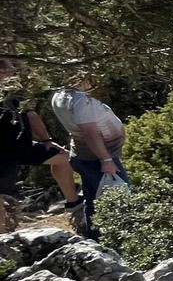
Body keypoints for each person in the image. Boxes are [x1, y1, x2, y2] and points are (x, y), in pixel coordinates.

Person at [0, 63, 82, 219]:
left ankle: (73, 202)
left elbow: (31, 115)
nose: (12, 71)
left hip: (22, 146)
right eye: (7, 69)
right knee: (1, 194)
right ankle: (3, 236)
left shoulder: (14, 92)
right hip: (2, 154)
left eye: (12, 68)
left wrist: (47, 140)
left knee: (62, 158)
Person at [49, 75, 127, 239]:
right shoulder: (80, 100)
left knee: (93, 201)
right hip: (97, 158)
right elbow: (89, 132)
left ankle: (95, 238)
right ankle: (119, 240)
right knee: (119, 200)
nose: (93, 81)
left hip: (83, 154)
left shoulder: (60, 95)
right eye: (88, 77)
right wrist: (106, 160)